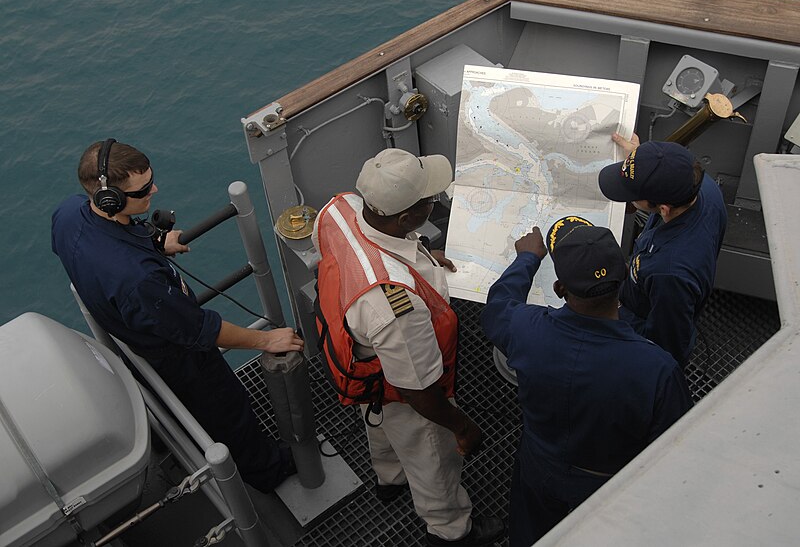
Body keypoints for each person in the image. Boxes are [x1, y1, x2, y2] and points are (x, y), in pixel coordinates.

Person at [51, 138, 304, 494]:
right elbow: (201, 329)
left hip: (138, 336)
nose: (155, 189)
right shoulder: (138, 281)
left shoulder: (68, 214)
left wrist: (155, 242)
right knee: (229, 413)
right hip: (180, 359)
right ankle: (268, 471)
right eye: (143, 190)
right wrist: (266, 339)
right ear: (111, 199)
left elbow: (108, 243)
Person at [313, 148, 505, 546]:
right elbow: (417, 390)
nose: (434, 202)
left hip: (364, 360)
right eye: (428, 201)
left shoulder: (339, 210)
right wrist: (461, 426)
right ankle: (450, 529)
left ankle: (390, 480)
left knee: (379, 425)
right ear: (405, 218)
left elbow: (361, 251)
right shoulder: (397, 307)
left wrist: (421, 258)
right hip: (403, 389)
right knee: (431, 455)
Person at [481, 216, 693, 546]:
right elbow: (673, 444)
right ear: (623, 278)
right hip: (609, 482)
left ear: (560, 288)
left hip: (540, 465)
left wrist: (527, 258)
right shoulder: (656, 368)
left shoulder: (526, 329)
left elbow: (496, 307)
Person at [598, 133, 727, 369]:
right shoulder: (702, 186)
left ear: (664, 209)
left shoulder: (669, 273)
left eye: (633, 196)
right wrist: (641, 164)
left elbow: (666, 346)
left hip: (642, 326)